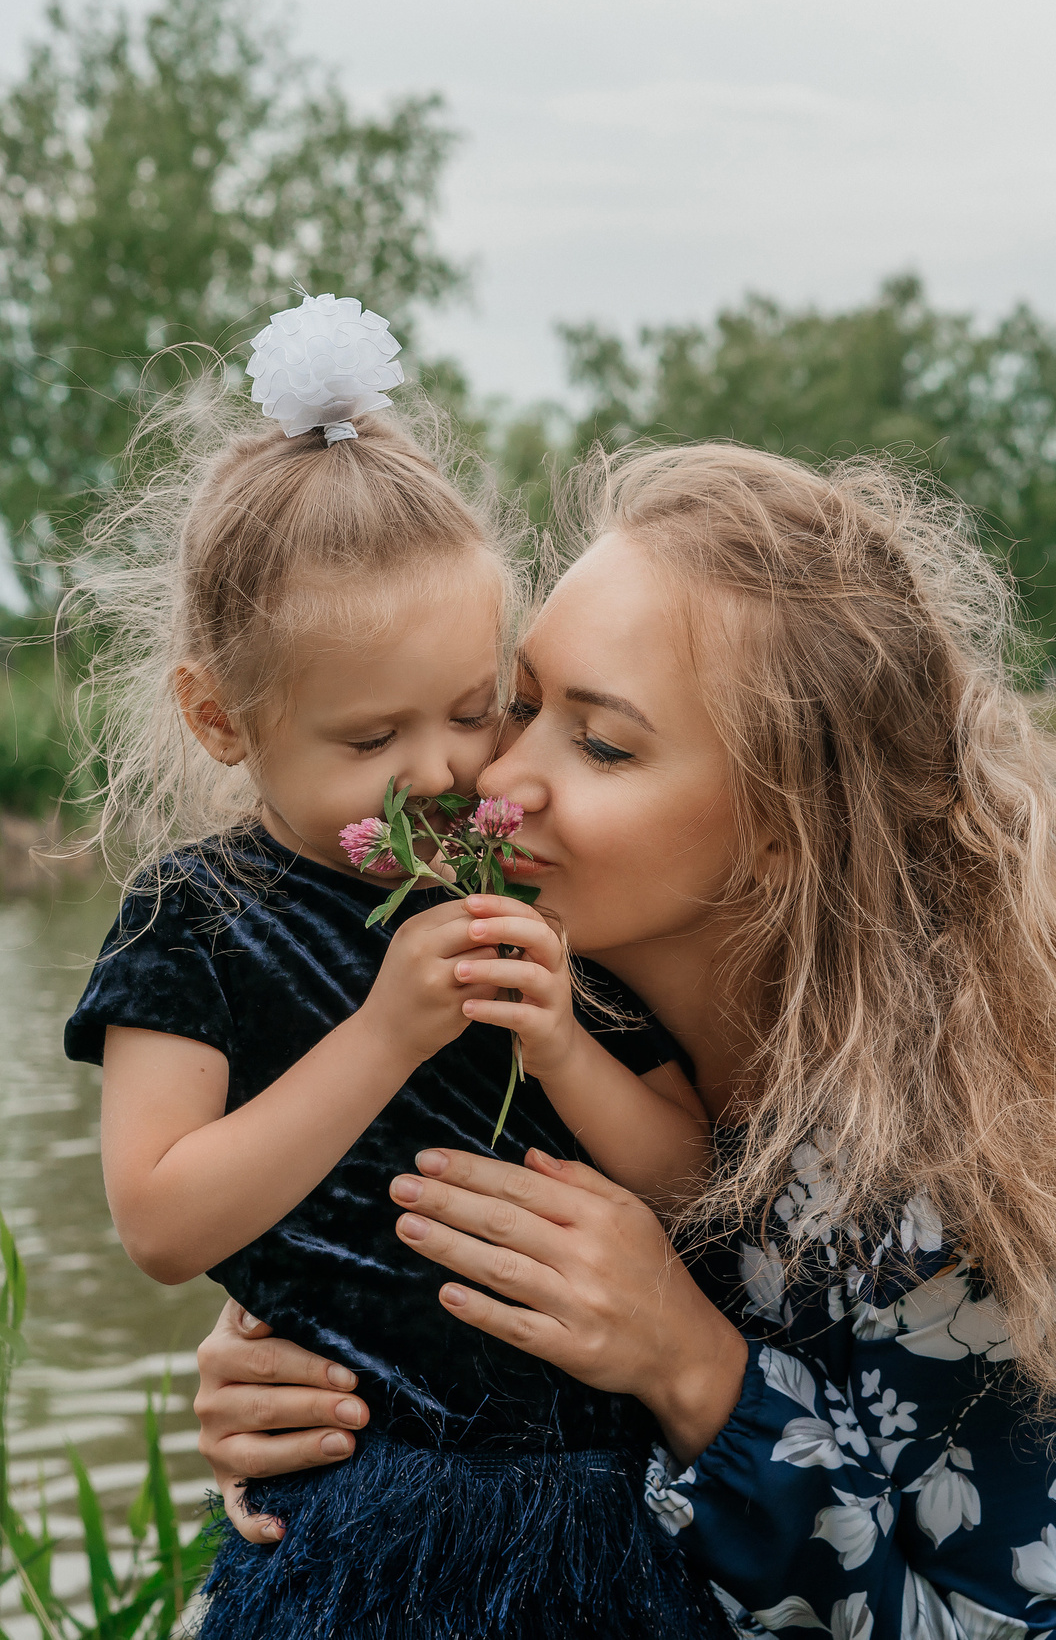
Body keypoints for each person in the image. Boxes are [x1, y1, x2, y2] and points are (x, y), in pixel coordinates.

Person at [191, 443, 1056, 1638]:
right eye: (521, 702)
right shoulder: (504, 1016)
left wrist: (693, 1370)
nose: (501, 776)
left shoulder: (937, 1190)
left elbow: (1005, 1623)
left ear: (780, 834)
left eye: (600, 744)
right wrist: (313, 1373)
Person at [59, 298, 723, 1640]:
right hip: (363, 1505)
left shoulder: (522, 878)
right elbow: (161, 1222)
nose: (440, 770)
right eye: (370, 737)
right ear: (220, 718)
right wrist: (385, 1035)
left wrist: (562, 1046)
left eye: (476, 710)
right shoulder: (194, 918)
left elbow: (695, 1183)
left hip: (600, 1506)